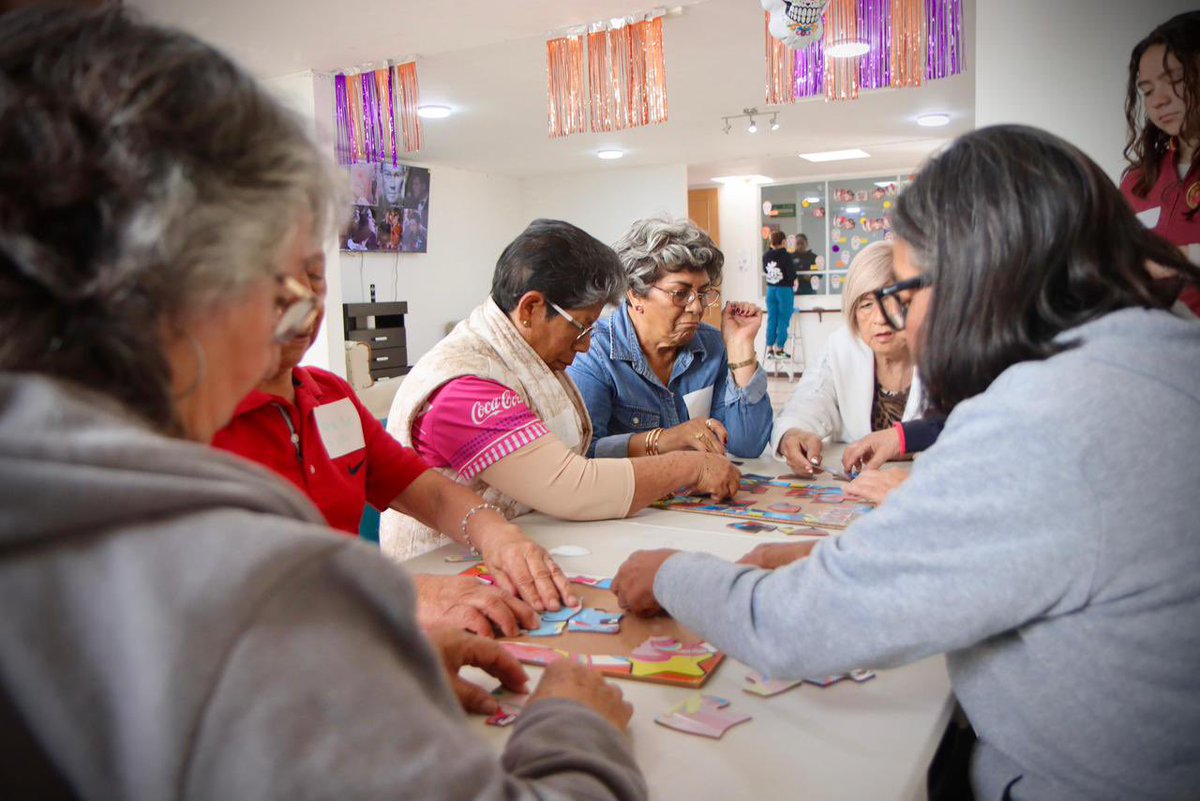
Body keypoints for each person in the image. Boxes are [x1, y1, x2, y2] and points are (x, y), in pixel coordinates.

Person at [0, 8, 645, 800]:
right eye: (285, 267)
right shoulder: (242, 577)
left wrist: (345, 673)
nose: (300, 300)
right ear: (202, 275)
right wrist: (573, 726)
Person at [610, 125, 1200, 801]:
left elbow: (789, 627)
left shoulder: (1046, 419)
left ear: (977, 278)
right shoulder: (1157, 352)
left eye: (908, 293)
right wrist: (833, 552)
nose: (907, 322)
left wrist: (670, 570)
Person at [213, 251, 574, 627]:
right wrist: (399, 592)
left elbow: (420, 488)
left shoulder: (330, 394)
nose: (303, 298)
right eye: (277, 277)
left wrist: (496, 533)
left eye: (315, 275)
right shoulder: (186, 424)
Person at [379, 219, 740, 561]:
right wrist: (690, 467)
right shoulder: (463, 387)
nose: (585, 346)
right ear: (531, 309)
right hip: (443, 570)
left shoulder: (525, 354)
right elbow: (573, 486)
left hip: (521, 546)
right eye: (581, 328)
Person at [568, 217, 773, 459]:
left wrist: (740, 347)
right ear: (634, 294)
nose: (697, 307)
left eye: (703, 293)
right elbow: (582, 454)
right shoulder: (594, 353)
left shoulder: (712, 346)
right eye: (680, 293)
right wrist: (664, 440)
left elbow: (747, 446)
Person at [771, 241, 924, 477]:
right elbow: (809, 399)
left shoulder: (941, 351)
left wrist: (910, 441)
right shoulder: (841, 346)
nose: (879, 319)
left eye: (891, 301)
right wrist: (792, 434)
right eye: (866, 305)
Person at [1122, 10, 1200, 316]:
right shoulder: (1138, 181)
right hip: (1150, 347)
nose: (1158, 101)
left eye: (1176, 80)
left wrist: (1180, 259)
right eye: (1148, 90)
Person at [762, 229, 796, 357]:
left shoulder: (766, 256)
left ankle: (769, 348)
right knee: (783, 319)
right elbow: (791, 275)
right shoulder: (786, 256)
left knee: (772, 319)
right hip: (784, 291)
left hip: (770, 290)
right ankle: (779, 348)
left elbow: (766, 270)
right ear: (783, 241)